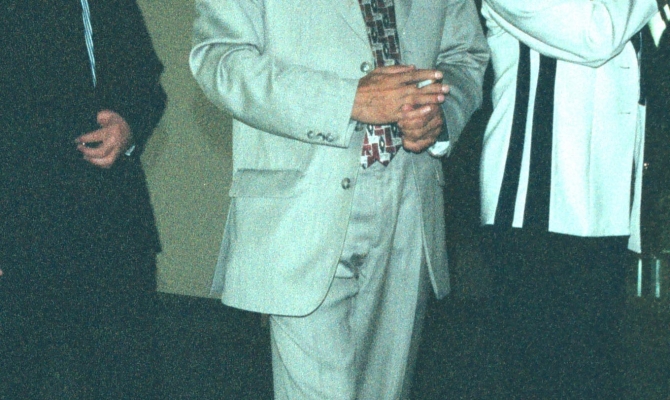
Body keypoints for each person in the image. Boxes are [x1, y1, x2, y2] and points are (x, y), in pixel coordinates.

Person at [190, 0, 488, 398]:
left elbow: (465, 54)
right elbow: (219, 60)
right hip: (301, 207)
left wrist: (440, 113)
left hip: (410, 200)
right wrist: (348, 101)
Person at [478, 0, 659, 398]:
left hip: (604, 209)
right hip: (535, 209)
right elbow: (593, 36)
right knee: (544, 380)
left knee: (595, 380)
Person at [0, 1, 166, 398]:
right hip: (17, 230)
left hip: (112, 227)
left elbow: (146, 81)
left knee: (125, 380)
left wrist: (127, 125)